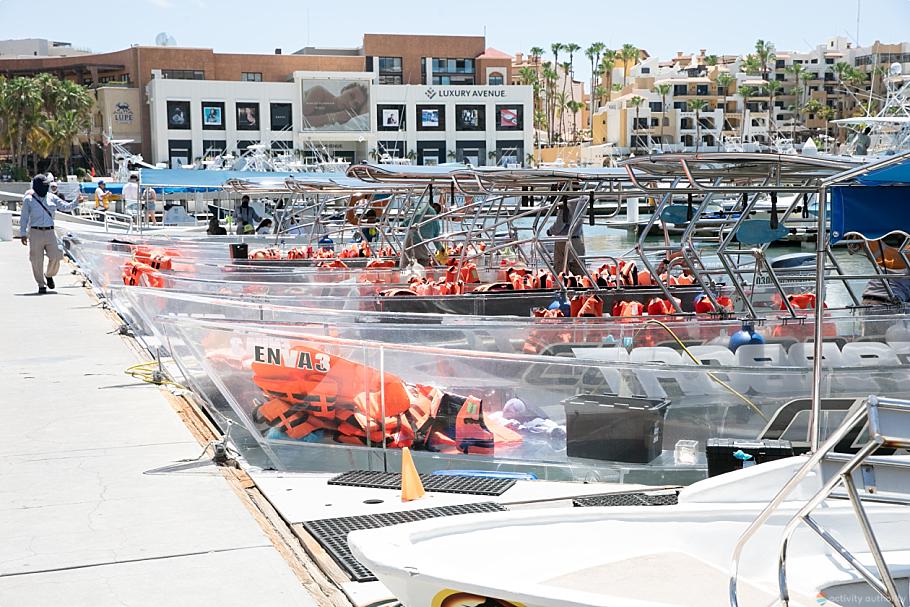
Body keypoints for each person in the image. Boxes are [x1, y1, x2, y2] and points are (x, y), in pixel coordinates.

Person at [19, 174, 77, 294]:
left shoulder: (52, 197)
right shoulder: (28, 199)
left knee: (56, 256)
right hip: (35, 232)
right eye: (44, 185)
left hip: (50, 231)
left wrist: (77, 202)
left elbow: (65, 207)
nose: (46, 187)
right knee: (36, 260)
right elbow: (24, 217)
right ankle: (41, 284)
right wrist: (23, 233)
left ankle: (49, 275)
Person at [547, 192, 588, 275]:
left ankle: (560, 283)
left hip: (563, 240)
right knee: (579, 269)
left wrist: (550, 231)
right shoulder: (583, 200)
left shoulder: (566, 201)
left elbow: (560, 224)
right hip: (577, 239)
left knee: (560, 269)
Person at [404, 200, 444, 265]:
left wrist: (403, 225)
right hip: (422, 243)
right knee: (423, 261)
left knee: (407, 261)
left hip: (411, 240)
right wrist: (442, 250)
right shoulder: (435, 221)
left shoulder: (423, 212)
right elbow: (436, 239)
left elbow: (411, 219)